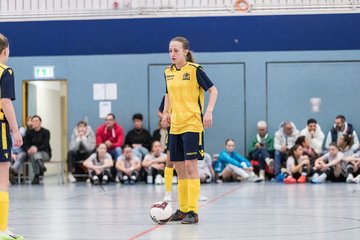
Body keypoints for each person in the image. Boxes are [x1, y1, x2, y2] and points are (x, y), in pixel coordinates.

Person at [162, 36, 218, 224]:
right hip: (175, 126)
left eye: (176, 50)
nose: (172, 54)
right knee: (178, 167)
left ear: (185, 52)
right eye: (170, 50)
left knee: (190, 166)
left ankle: (193, 212)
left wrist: (208, 111)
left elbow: (213, 90)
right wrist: (165, 113)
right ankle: (183, 209)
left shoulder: (195, 70)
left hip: (192, 124)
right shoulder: (168, 72)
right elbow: (168, 94)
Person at [0, 33, 25, 240]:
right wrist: (15, 130)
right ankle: (2, 230)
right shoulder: (5, 71)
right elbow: (6, 102)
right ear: (5, 51)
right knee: (2, 180)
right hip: (0, 128)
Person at [20, 115, 51, 185]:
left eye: (36, 121)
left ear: (40, 122)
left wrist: (36, 149)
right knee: (33, 155)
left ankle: (36, 176)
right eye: (33, 121)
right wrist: (28, 149)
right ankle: (41, 167)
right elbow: (25, 144)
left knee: (35, 155)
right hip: (31, 153)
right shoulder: (29, 133)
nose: (34, 123)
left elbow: (45, 145)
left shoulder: (46, 132)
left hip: (45, 153)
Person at [156, 96, 175, 202]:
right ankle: (168, 192)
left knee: (190, 163)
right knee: (170, 161)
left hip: (188, 128)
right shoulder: (168, 95)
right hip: (173, 131)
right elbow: (159, 112)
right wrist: (166, 117)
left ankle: (195, 193)